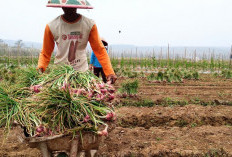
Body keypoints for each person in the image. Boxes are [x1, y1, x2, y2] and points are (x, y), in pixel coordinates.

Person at [37, 0, 117, 84]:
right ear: (61, 6)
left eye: (71, 7)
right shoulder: (52, 26)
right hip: (60, 73)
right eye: (66, 7)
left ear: (76, 6)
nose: (69, 10)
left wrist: (109, 72)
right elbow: (46, 52)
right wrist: (40, 69)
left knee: (82, 95)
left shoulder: (89, 24)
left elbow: (99, 50)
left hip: (81, 73)